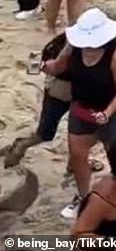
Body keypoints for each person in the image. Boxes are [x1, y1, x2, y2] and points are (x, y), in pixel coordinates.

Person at [41, 8, 116, 219]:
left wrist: (108, 113)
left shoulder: (115, 55)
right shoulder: (74, 47)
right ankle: (84, 198)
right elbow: (58, 66)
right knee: (78, 155)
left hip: (110, 112)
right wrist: (42, 66)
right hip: (81, 109)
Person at [2, 32, 102, 177]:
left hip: (61, 91)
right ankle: (19, 148)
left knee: (71, 133)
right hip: (66, 93)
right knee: (50, 134)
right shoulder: (83, 46)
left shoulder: (70, 38)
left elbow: (37, 64)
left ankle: (74, 163)